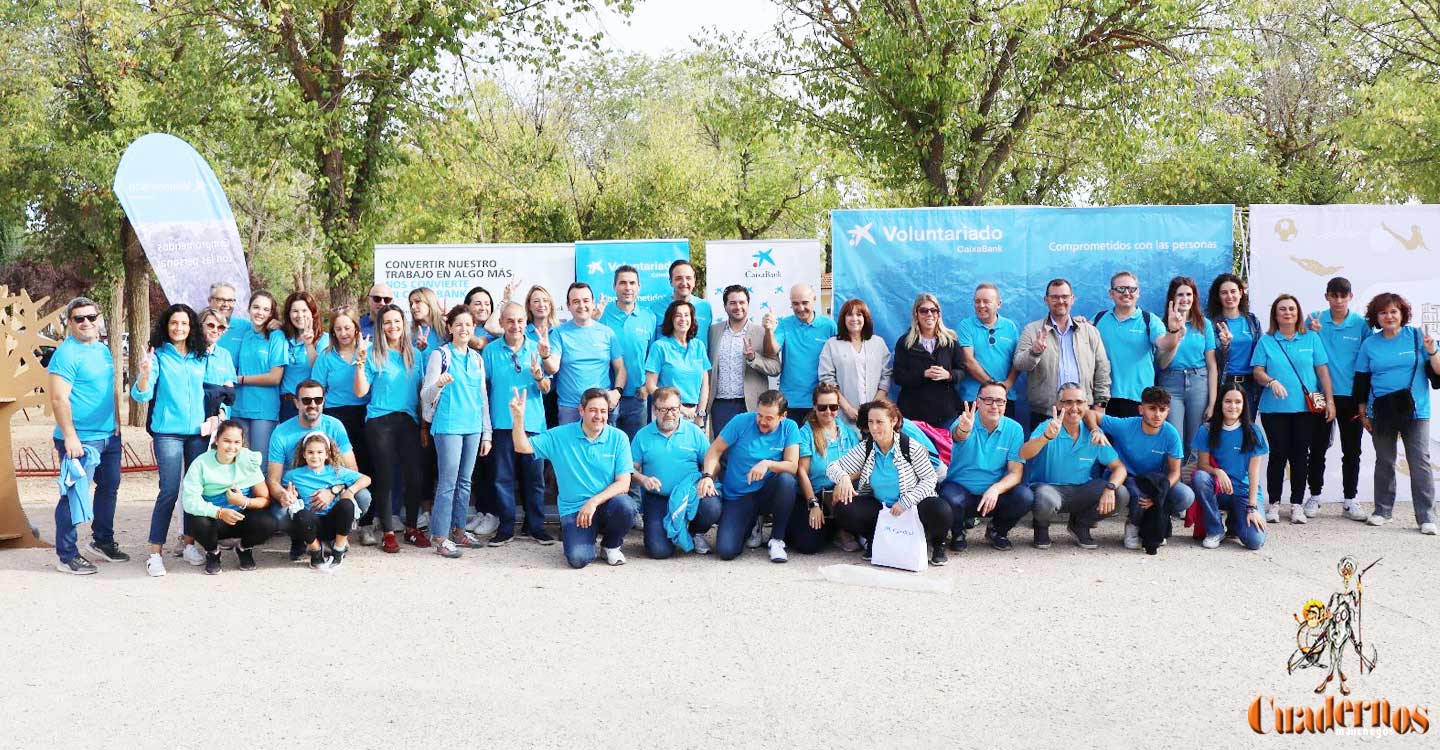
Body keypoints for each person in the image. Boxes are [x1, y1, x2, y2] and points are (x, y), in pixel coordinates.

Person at [508, 387, 637, 568]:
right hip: (575, 510)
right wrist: (519, 419)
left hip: (606, 504)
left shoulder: (619, 438)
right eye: (593, 410)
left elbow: (624, 483)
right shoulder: (560, 435)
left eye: (603, 411)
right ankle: (586, 539)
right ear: (581, 411)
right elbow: (523, 447)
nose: (598, 416)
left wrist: (593, 502)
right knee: (578, 559)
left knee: (626, 506)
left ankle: (610, 545)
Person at [48, 297, 128, 574]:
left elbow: (110, 389)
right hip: (80, 439)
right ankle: (66, 555)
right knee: (73, 494)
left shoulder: (103, 350)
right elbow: (58, 399)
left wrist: (117, 419)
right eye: (79, 318)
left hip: (108, 436)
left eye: (91, 317)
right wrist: (70, 437)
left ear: (99, 319)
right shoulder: (66, 354)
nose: (86, 323)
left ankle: (102, 541)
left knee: (109, 489)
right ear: (69, 323)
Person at [826, 397, 953, 566]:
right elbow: (832, 467)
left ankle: (938, 545)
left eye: (880, 422)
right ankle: (874, 540)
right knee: (844, 508)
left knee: (941, 509)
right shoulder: (867, 446)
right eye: (871, 422)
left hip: (914, 505)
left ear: (893, 421)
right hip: (882, 507)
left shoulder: (910, 446)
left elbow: (930, 479)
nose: (874, 427)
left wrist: (905, 502)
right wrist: (843, 478)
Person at [129, 303, 208, 577]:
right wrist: (144, 374)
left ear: (191, 327)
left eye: (184, 323)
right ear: (167, 325)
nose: (179, 328)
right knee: (170, 490)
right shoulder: (159, 356)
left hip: (198, 432)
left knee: (193, 490)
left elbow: (212, 393)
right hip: (168, 433)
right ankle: (154, 554)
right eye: (174, 323)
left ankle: (189, 544)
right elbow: (141, 396)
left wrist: (219, 416)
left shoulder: (201, 356)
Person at [1353, 292, 1439, 534]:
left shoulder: (1417, 337)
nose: (1388, 316)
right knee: (1385, 460)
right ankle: (1382, 511)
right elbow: (1362, 379)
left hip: (1416, 410)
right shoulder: (1370, 344)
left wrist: (1432, 351)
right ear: (1376, 317)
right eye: (1383, 312)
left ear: (1402, 314)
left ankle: (1426, 517)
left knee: (1419, 461)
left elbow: (1438, 371)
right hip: (1381, 410)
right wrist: (1362, 411)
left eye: (1393, 311)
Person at [1251, 293, 1335, 524]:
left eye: (1291, 309)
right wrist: (1271, 381)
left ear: (1298, 313)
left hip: (1305, 409)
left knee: (1300, 456)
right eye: (1282, 309)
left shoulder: (1311, 339)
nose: (1287, 312)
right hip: (1274, 409)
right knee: (1278, 455)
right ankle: (1274, 504)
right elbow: (1257, 371)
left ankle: (1297, 503)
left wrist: (1330, 401)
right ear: (1275, 315)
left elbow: (1322, 371)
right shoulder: (1267, 341)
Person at [419, 306, 493, 558]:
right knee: (448, 483)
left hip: (472, 427)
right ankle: (440, 536)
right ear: (449, 328)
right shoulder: (440, 356)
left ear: (474, 328)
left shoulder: (477, 358)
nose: (463, 329)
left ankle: (459, 531)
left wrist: (487, 433)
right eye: (458, 324)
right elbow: (425, 395)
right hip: (448, 426)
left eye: (468, 325)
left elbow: (482, 398)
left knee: (465, 482)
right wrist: (438, 383)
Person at [482, 302, 555, 546]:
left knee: (535, 479)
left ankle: (536, 527)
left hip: (533, 424)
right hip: (502, 423)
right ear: (501, 323)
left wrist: (538, 376)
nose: (515, 326)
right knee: (502, 478)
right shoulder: (490, 351)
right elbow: (485, 387)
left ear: (527, 322)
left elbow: (547, 388)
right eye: (510, 321)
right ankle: (505, 528)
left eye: (520, 321)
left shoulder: (539, 348)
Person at [1021, 383, 1128, 550]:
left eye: (1079, 402)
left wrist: (1110, 487)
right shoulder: (1048, 426)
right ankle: (1041, 527)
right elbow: (1024, 453)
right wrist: (1046, 437)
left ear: (1087, 405)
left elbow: (1119, 468)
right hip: (1050, 489)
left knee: (1120, 493)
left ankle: (1080, 524)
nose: (1074, 408)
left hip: (1081, 490)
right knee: (1043, 497)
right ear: (1058, 405)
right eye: (1068, 402)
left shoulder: (1094, 432)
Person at [699, 389, 802, 562]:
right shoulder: (741, 421)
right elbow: (714, 451)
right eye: (760, 415)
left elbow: (792, 466)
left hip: (767, 491)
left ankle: (777, 540)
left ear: (782, 416)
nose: (762, 421)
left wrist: (768, 463)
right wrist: (708, 476)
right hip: (739, 495)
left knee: (787, 481)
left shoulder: (789, 427)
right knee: (726, 551)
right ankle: (752, 522)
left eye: (769, 418)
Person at [354, 303, 426, 552]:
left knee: (415, 477)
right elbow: (361, 391)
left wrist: (424, 426)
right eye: (387, 322)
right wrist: (361, 363)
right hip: (380, 421)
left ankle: (412, 529)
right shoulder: (373, 353)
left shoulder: (416, 354)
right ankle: (387, 532)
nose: (392, 326)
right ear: (380, 326)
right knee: (385, 478)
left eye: (397, 321)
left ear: (403, 324)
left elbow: (422, 392)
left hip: (408, 421)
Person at [938, 381, 1033, 551]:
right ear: (978, 402)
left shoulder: (1014, 429)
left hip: (994, 495)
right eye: (988, 400)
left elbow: (1015, 472)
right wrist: (965, 429)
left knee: (1024, 496)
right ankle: (958, 533)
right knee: (949, 498)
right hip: (961, 490)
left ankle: (997, 531)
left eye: (1000, 401)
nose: (994, 406)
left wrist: (996, 489)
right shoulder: (964, 421)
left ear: (1006, 403)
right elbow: (958, 436)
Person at [1304, 277, 1370, 519]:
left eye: (1343, 295)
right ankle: (1315, 496)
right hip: (1320, 395)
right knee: (1317, 447)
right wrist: (1310, 332)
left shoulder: (1361, 324)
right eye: (1334, 295)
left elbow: (1368, 360)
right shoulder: (1314, 319)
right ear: (1327, 297)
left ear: (1351, 297)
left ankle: (1350, 499)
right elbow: (1302, 347)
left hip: (1351, 397)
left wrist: (1366, 398)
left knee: (1352, 450)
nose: (1339, 300)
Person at [1100, 386, 1194, 550]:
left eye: (1162, 410)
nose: (1157, 414)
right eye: (1152, 409)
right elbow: (1090, 415)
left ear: (1168, 411)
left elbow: (1175, 471)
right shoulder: (1126, 425)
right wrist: (1096, 429)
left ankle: (1159, 521)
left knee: (1186, 496)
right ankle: (1133, 525)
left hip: (1154, 480)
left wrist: (1160, 493)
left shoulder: (1171, 434)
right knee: (1138, 494)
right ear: (1141, 409)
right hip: (1126, 476)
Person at [179, 421, 277, 574]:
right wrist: (219, 512)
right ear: (217, 440)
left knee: (269, 522)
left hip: (241, 517)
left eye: (237, 442)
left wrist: (243, 501)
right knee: (195, 519)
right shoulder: (201, 463)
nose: (232, 447)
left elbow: (265, 499)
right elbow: (190, 501)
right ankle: (213, 553)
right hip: (215, 521)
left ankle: (244, 548)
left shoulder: (248, 461)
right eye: (227, 441)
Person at [631, 387, 718, 558]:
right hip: (657, 498)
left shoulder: (694, 432)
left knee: (713, 506)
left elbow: (711, 461)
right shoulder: (642, 435)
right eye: (663, 409)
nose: (669, 414)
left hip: (691, 495)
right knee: (659, 551)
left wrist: (708, 477)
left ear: (680, 409)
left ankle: (695, 532)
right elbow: (629, 469)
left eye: (674, 409)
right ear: (654, 410)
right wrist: (643, 479)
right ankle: (668, 532)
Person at [1015, 278, 1111, 428]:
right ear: (1046, 300)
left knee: (1082, 452)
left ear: (1072, 299)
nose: (1060, 301)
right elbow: (1019, 364)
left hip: (1083, 411)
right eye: (1054, 297)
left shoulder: (1089, 331)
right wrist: (1034, 352)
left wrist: (1100, 404)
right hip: (1045, 413)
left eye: (1065, 297)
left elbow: (1102, 370)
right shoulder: (1032, 330)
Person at [1190, 383, 1269, 550]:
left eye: (1238, 402)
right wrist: (1217, 471)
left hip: (1243, 493)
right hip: (1218, 489)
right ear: (1220, 403)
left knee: (1255, 541)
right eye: (1228, 401)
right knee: (1199, 477)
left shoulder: (1254, 432)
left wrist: (1252, 508)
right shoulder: (1207, 430)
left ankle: (1235, 521)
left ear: (1244, 405)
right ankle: (1215, 530)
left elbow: (1254, 474)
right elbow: (1202, 465)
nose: (1233, 406)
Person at [279, 432, 371, 570]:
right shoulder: (293, 475)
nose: (315, 456)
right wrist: (288, 495)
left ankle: (338, 549)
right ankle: (316, 552)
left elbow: (366, 479)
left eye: (319, 452)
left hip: (333, 522)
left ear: (327, 454)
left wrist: (349, 491)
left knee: (346, 505)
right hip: (311, 524)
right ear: (304, 454)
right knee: (301, 514)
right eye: (310, 452)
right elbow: (283, 489)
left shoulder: (337, 471)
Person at [309, 308, 370, 508]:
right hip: (336, 415)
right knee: (338, 466)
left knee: (365, 464)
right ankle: (337, 512)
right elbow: (317, 390)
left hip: (365, 413)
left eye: (347, 328)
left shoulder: (368, 352)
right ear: (333, 332)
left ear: (356, 328)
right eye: (338, 329)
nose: (344, 333)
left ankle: (367, 519)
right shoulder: (326, 357)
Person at [1093, 272, 1174, 418]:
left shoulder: (1149, 320)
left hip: (1139, 400)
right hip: (1104, 399)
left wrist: (1174, 332)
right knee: (1105, 441)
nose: (1127, 293)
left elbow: (1165, 344)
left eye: (1132, 289)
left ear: (1138, 293)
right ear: (1111, 293)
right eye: (1121, 289)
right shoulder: (1098, 320)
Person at [1155, 276, 1217, 459]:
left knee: (1195, 442)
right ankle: (1177, 484)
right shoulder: (1161, 324)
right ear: (1172, 298)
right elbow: (1162, 363)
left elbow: (1212, 365)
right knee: (1175, 439)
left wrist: (1213, 403)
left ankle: (1193, 485)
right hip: (1171, 383)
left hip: (1199, 382)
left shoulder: (1204, 324)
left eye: (1189, 294)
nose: (1185, 299)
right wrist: (1176, 335)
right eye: (1180, 294)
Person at [706, 284, 780, 436]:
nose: (738, 306)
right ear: (725, 306)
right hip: (720, 404)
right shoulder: (713, 331)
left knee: (749, 450)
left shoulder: (762, 332)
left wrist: (754, 358)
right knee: (722, 452)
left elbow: (775, 368)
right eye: (732, 303)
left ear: (748, 304)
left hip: (750, 404)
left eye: (742, 302)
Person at [797, 383, 861, 553]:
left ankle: (842, 529)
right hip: (815, 493)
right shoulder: (805, 433)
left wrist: (845, 479)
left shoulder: (849, 433)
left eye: (833, 407)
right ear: (814, 407)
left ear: (838, 407)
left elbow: (861, 467)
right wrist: (813, 504)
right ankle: (834, 529)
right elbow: (802, 471)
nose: (828, 412)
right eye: (822, 407)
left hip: (842, 493)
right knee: (808, 546)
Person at [762, 283, 838, 425]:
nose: (801, 308)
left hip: (820, 401)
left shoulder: (829, 326)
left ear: (814, 299)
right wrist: (769, 330)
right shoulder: (785, 324)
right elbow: (771, 351)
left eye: (805, 303)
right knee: (792, 445)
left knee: (819, 445)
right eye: (795, 304)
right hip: (791, 401)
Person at [891, 293, 964, 437]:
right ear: (916, 314)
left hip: (944, 412)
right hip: (914, 412)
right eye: (924, 310)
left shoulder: (950, 341)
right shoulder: (905, 342)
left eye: (933, 310)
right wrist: (923, 374)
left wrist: (949, 375)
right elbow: (898, 377)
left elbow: (961, 371)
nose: (929, 314)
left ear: (938, 314)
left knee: (943, 455)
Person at [553, 282, 625, 425]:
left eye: (586, 301)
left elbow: (620, 368)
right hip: (570, 408)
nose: (581, 305)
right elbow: (553, 366)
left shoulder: (607, 333)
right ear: (568, 306)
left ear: (593, 303)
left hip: (602, 407)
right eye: (575, 302)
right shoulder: (558, 333)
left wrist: (617, 392)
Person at [598, 265, 657, 439]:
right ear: (614, 287)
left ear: (639, 287)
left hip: (638, 398)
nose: (627, 287)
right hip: (606, 395)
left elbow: (653, 357)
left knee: (634, 451)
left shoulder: (649, 317)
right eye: (622, 283)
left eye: (632, 283)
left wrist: (647, 386)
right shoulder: (602, 315)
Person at [230, 290, 287, 458]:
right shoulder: (246, 334)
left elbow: (275, 377)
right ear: (248, 308)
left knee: (258, 462)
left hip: (263, 409)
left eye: (265, 309)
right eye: (256, 307)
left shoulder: (276, 336)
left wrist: (241, 379)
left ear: (271, 313)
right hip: (239, 407)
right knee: (238, 460)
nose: (260, 313)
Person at [818, 298, 892, 425]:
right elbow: (827, 381)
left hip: (875, 416)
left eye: (859, 314)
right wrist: (848, 409)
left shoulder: (878, 343)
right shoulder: (832, 344)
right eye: (849, 314)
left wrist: (873, 407)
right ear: (843, 319)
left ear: (865, 318)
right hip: (844, 416)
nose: (854, 318)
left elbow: (886, 375)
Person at [642, 300, 711, 426]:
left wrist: (701, 413)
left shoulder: (698, 346)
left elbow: (705, 384)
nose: (683, 319)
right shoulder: (660, 347)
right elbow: (650, 385)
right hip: (667, 413)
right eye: (678, 315)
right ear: (671, 319)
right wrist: (678, 408)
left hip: (694, 414)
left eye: (686, 315)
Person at [957, 283, 1022, 416]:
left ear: (999, 304)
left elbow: (1018, 360)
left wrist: (1007, 385)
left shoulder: (1010, 327)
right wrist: (994, 387)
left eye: (986, 301)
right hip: (973, 399)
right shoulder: (966, 326)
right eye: (977, 301)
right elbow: (968, 361)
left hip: (1005, 398)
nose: (981, 305)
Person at [1207, 273, 1263, 420]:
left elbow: (1261, 353)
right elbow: (1212, 359)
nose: (1229, 296)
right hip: (1223, 384)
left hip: (1250, 386)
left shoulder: (1252, 321)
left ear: (1241, 293)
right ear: (1218, 296)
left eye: (1233, 291)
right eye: (1224, 292)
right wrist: (1224, 345)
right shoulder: (1212, 324)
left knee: (1247, 430)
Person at [278, 291, 328, 421]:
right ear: (288, 314)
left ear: (312, 313)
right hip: (286, 403)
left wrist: (309, 345)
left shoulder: (323, 339)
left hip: (310, 403)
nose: (300, 315)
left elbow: (319, 368)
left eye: (304, 311)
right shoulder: (282, 337)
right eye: (295, 311)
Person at [650, 259, 713, 356]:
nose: (684, 283)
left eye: (688, 278)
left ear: (694, 281)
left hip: (699, 368)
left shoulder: (705, 307)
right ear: (671, 281)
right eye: (679, 278)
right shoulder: (656, 308)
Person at [524, 284, 563, 427]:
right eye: (536, 301)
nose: (541, 305)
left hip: (557, 394)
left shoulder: (561, 330)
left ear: (551, 305)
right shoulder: (521, 331)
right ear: (529, 306)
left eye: (545, 300)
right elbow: (491, 328)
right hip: (532, 392)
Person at [408, 286, 448, 353]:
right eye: (411, 303)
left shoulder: (447, 327)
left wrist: (452, 322)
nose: (413, 307)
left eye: (417, 302)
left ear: (430, 303)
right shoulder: (409, 332)